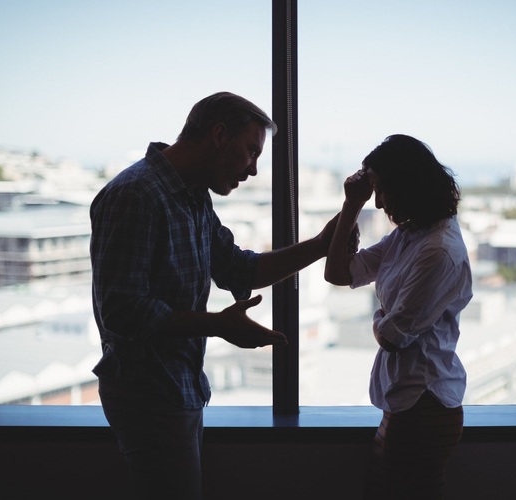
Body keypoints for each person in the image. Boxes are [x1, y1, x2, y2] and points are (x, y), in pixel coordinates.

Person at [90, 91, 341, 499]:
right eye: (250, 152)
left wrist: (320, 246)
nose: (254, 170)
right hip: (148, 396)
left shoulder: (192, 197)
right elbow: (121, 310)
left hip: (174, 390)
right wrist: (218, 326)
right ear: (219, 135)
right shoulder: (136, 195)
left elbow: (239, 269)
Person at [324, 134, 473, 500]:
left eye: (380, 189)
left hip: (425, 404)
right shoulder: (410, 236)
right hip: (407, 404)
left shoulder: (437, 251)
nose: (377, 201)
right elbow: (338, 273)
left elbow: (393, 336)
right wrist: (350, 206)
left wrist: (379, 317)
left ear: (405, 185)